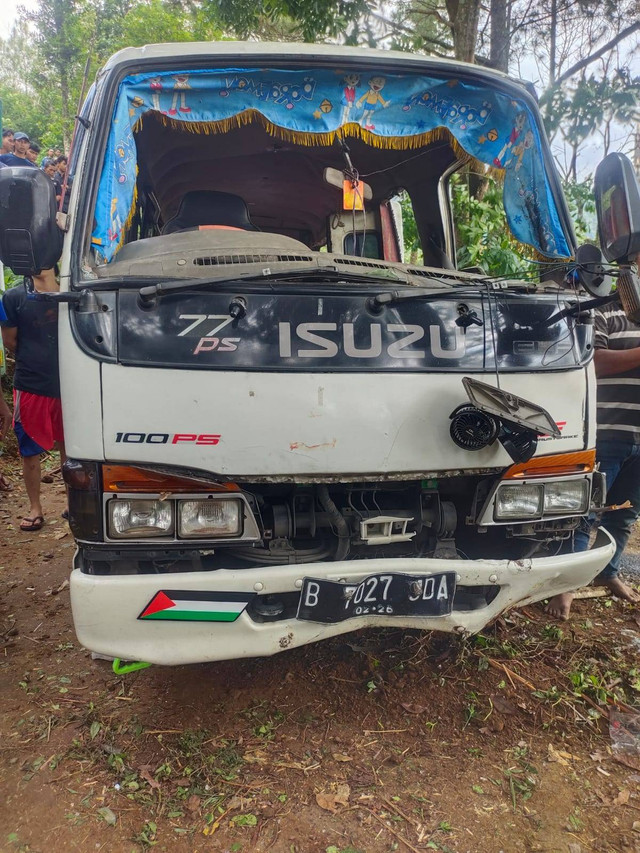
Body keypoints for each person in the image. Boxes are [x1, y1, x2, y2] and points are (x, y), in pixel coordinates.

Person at [547, 301, 640, 618]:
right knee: (584, 513)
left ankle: (608, 571)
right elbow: (593, 361)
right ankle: (567, 586)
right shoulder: (605, 313)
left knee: (625, 514)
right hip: (607, 433)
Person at [0, 269, 66, 531]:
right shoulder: (13, 298)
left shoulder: (74, 292)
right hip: (30, 385)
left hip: (70, 384)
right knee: (29, 449)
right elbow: (10, 341)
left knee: (69, 446)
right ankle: (35, 507)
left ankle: (74, 501)